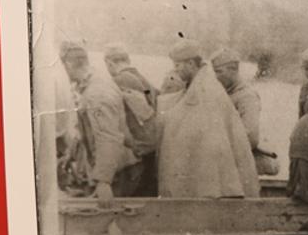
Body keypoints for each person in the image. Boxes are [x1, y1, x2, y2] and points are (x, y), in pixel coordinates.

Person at [157, 40, 260, 198]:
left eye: (178, 65)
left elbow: (209, 140)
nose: (175, 70)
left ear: (191, 63)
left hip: (214, 180)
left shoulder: (206, 89)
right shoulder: (199, 85)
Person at [58, 42, 140, 207]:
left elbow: (108, 136)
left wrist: (104, 181)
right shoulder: (92, 85)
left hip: (117, 172)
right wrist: (71, 154)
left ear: (67, 65)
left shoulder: (97, 93)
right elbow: (89, 129)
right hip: (114, 168)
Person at [211, 47, 279, 176]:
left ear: (233, 70)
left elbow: (250, 138)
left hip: (236, 159)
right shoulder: (223, 94)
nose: (215, 77)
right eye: (214, 72)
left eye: (219, 72)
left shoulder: (247, 97)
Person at [103, 45, 159, 196]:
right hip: (153, 148)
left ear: (109, 63)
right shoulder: (143, 79)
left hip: (138, 151)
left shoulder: (120, 80)